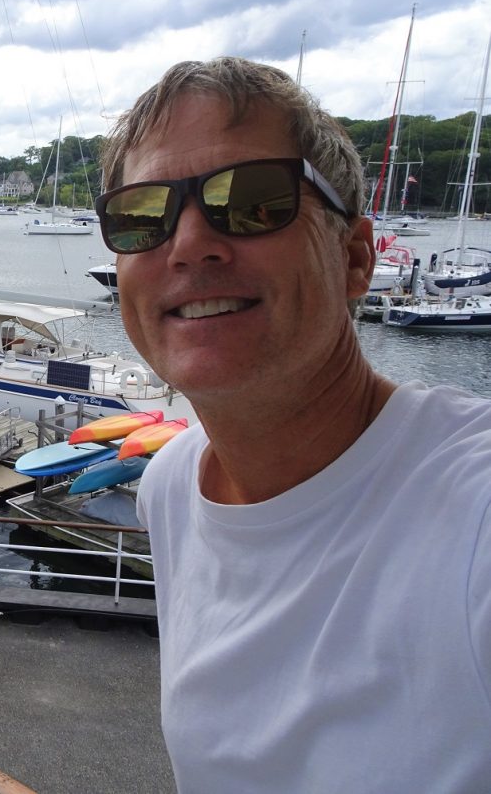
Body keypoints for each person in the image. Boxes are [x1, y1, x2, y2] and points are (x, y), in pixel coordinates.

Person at [95, 58, 491, 791]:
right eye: (141, 215)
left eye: (252, 201)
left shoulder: (470, 518)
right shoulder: (172, 488)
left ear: (354, 257)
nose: (187, 245)